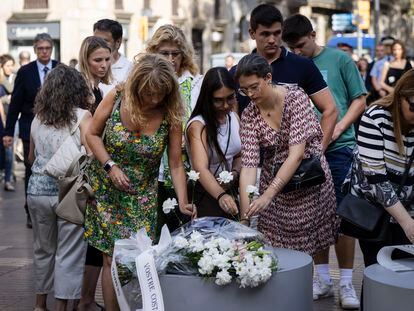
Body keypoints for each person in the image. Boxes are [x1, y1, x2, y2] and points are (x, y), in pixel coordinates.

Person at [84, 53, 194, 310]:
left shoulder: (171, 113)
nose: (154, 99)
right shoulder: (117, 95)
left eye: (160, 94)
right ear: (137, 87)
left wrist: (183, 201)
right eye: (148, 93)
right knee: (112, 258)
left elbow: (176, 163)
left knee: (140, 259)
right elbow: (91, 134)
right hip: (107, 191)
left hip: (142, 196)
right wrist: (110, 166)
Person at [282, 14, 367, 309]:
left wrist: (339, 127)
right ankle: (322, 278)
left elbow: (359, 98)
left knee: (344, 215)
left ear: (314, 34)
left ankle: (346, 282)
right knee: (314, 215)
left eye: (301, 45)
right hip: (304, 150)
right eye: (291, 48)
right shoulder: (291, 64)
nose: (297, 52)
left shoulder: (340, 60)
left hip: (339, 147)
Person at [236, 53, 338, 267]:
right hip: (275, 187)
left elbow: (296, 154)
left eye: (254, 87)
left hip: (307, 180)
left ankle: (311, 291)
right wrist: (245, 219)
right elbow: (248, 167)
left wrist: (267, 195)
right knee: (277, 254)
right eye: (244, 90)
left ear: (268, 78)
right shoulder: (248, 115)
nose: (250, 94)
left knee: (307, 254)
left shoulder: (296, 98)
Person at [27, 64, 92, 311]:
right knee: (70, 252)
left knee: (43, 250)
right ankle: (62, 307)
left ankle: (39, 304)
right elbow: (89, 153)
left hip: (37, 192)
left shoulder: (37, 119)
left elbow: (32, 157)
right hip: (69, 193)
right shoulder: (83, 116)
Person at [229, 3, 337, 152]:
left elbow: (330, 109)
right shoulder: (237, 73)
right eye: (265, 34)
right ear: (252, 33)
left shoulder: (302, 65)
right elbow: (229, 119)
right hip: (250, 161)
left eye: (277, 33)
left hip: (297, 162)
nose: (272, 39)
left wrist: (316, 155)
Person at [349, 69, 414, 267]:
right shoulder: (376, 117)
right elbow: (377, 180)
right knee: (377, 273)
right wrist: (408, 224)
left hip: (409, 209)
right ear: (400, 95)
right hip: (374, 212)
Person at [145, 24, 203, 235]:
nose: (170, 59)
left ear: (183, 55)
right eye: (164, 53)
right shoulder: (145, 83)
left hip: (184, 171)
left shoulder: (195, 84)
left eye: (175, 54)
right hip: (151, 173)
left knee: (181, 233)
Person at [3, 33, 58, 228]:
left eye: (47, 48)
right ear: (35, 49)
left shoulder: (60, 69)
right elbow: (16, 102)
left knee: (55, 169)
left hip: (55, 130)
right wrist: (8, 132)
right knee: (31, 168)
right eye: (40, 48)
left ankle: (54, 209)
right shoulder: (25, 72)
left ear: (51, 49)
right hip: (29, 128)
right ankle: (30, 211)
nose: (44, 52)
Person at [76, 35, 112, 311]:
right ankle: (84, 299)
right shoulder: (85, 90)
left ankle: (84, 299)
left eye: (106, 59)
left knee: (95, 242)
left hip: (97, 170)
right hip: (87, 171)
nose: (102, 64)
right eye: (97, 60)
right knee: (91, 242)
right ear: (86, 60)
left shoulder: (101, 89)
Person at [186, 67, 241, 218]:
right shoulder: (198, 126)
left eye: (230, 98)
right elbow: (201, 168)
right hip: (206, 195)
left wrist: (234, 174)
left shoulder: (234, 118)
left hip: (231, 191)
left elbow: (238, 155)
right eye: (218, 100)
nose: (225, 106)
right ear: (207, 98)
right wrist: (221, 195)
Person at [93, 19, 133, 96]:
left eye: (104, 41)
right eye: (95, 40)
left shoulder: (129, 70)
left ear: (118, 42)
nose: (98, 44)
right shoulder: (82, 66)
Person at [0, 54, 16, 191]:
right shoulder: (2, 81)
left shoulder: (15, 78)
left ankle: (8, 178)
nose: (10, 68)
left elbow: (15, 95)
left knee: (10, 150)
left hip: (12, 119)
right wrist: (6, 99)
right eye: (7, 65)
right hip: (2, 119)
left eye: (12, 65)